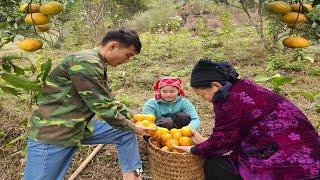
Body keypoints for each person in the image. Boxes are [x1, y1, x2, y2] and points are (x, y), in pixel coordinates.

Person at [23, 28, 153, 180]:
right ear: (113, 45)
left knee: (123, 132)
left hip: (75, 127)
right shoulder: (87, 62)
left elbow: (108, 99)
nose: (127, 60)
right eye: (127, 55)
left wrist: (133, 116)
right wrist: (134, 126)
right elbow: (102, 107)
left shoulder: (97, 62)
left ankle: (133, 176)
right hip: (52, 133)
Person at [174, 58, 320, 180]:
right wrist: (210, 144)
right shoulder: (243, 86)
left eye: (202, 95)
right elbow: (230, 134)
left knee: (215, 165)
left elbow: (223, 140)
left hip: (291, 165)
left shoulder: (229, 101)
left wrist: (194, 149)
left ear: (215, 85)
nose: (204, 99)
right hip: (313, 154)